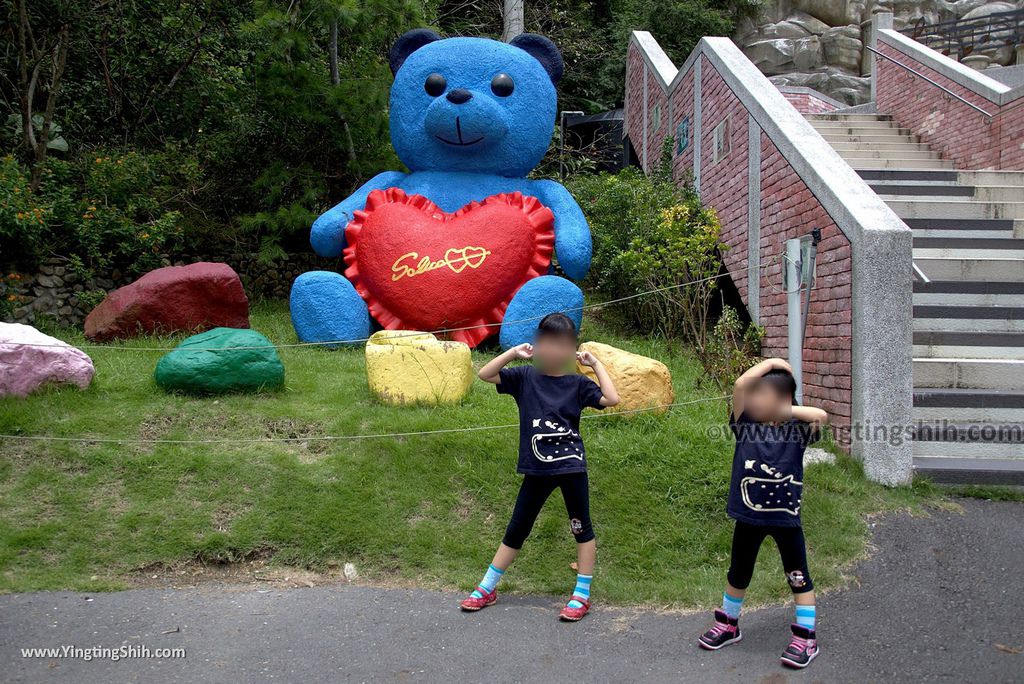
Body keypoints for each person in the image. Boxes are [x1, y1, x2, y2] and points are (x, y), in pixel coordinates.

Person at [460, 313, 619, 621]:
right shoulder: (524, 378)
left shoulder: (577, 383)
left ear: (571, 350)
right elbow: (485, 374)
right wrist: (512, 353)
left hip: (572, 468)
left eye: (562, 345)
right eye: (547, 343)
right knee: (517, 528)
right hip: (536, 470)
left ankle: (581, 595)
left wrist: (595, 364)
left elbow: (612, 398)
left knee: (581, 528)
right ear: (537, 345)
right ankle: (487, 587)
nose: (555, 351)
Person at [698, 358, 828, 669]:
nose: (753, 399)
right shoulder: (746, 427)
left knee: (798, 577)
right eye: (754, 395)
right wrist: (771, 363)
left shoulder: (797, 431)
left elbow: (820, 415)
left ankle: (805, 638)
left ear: (783, 401)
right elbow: (740, 385)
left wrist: (786, 411)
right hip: (748, 519)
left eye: (762, 394)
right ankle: (729, 623)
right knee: (738, 573)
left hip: (786, 522)